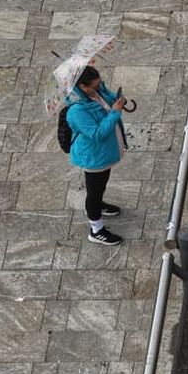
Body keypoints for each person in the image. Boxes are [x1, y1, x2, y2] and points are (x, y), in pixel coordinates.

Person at [65, 65, 135, 246]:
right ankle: (96, 229)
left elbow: (110, 101)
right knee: (94, 193)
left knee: (101, 184)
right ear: (82, 86)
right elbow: (97, 134)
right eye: (95, 86)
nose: (99, 88)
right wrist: (115, 112)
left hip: (104, 153)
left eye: (99, 84)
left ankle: (100, 205)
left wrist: (114, 98)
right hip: (94, 157)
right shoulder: (77, 111)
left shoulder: (95, 93)